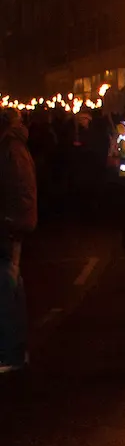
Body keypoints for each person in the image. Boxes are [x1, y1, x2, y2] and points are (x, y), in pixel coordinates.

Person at [0, 109, 37, 374]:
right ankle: (13, 350)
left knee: (6, 290)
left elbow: (22, 190)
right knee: (9, 286)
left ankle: (11, 352)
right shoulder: (10, 147)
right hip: (8, 226)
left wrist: (13, 223)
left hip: (7, 228)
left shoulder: (11, 149)